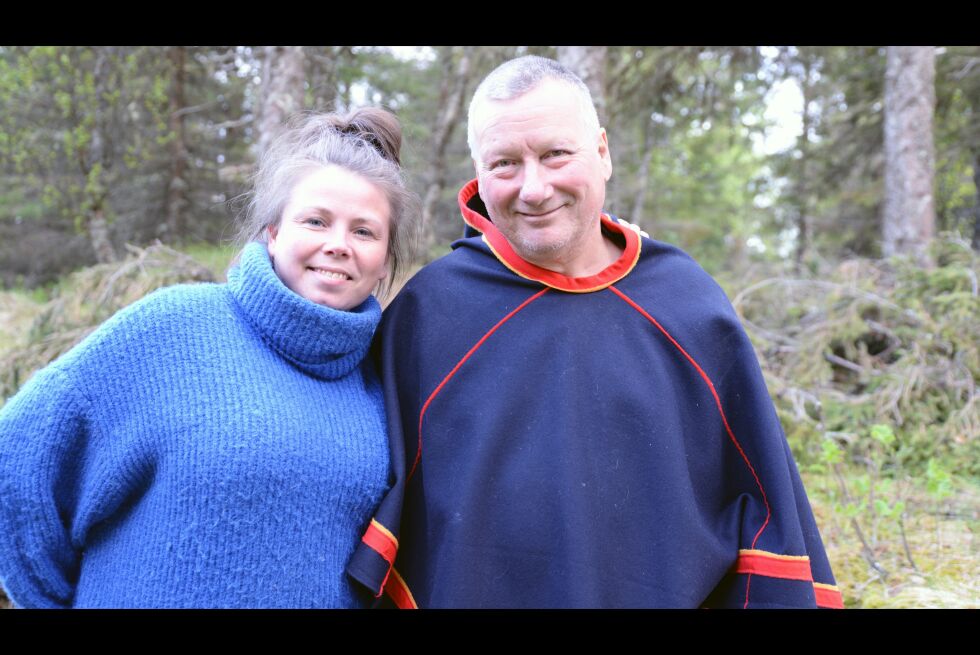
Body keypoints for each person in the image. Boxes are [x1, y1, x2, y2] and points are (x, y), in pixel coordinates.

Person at [349, 57, 843, 609]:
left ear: (603, 152)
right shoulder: (429, 315)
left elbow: (767, 513)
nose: (534, 189)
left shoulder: (686, 306)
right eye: (505, 163)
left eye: (556, 154)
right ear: (478, 174)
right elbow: (362, 502)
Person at [0, 108, 419, 608]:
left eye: (364, 232)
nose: (337, 246)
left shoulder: (383, 378)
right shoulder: (174, 327)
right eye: (316, 221)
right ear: (272, 231)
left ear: (385, 258)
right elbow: (18, 461)